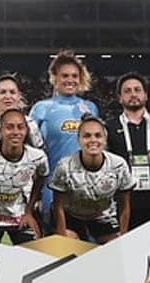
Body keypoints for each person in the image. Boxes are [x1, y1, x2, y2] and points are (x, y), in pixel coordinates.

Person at [28, 50, 100, 222]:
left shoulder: (90, 108)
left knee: (89, 242)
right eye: (65, 75)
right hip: (52, 186)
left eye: (75, 76)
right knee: (55, 241)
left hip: (87, 186)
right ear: (54, 78)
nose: (70, 80)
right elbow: (30, 150)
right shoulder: (41, 108)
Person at [49, 115, 135, 244]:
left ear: (105, 140)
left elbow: (124, 204)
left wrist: (123, 235)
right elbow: (58, 204)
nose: (93, 140)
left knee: (113, 248)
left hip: (102, 214)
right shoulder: (64, 166)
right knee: (71, 244)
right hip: (71, 215)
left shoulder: (118, 165)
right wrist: (62, 238)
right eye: (87, 136)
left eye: (98, 135)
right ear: (78, 140)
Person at [0, 108, 48, 244]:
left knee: (33, 252)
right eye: (9, 127)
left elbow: (41, 179)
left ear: (26, 131)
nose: (15, 132)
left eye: (20, 127)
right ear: (0, 131)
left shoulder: (38, 157)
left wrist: (29, 211)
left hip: (20, 216)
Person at [104, 72, 150, 229]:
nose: (133, 94)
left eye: (137, 90)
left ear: (145, 95)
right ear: (120, 98)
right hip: (124, 201)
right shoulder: (109, 127)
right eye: (127, 91)